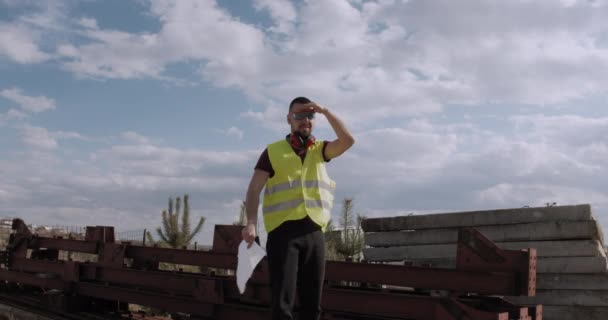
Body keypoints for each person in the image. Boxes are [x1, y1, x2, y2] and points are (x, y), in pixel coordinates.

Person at [241, 97, 355, 320]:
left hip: (314, 233)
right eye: (299, 115)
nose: (305, 120)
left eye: (310, 115)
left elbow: (348, 140)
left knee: (312, 305)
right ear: (288, 119)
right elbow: (254, 189)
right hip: (283, 233)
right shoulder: (273, 152)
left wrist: (326, 110)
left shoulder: (320, 150)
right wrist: (251, 222)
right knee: (282, 304)